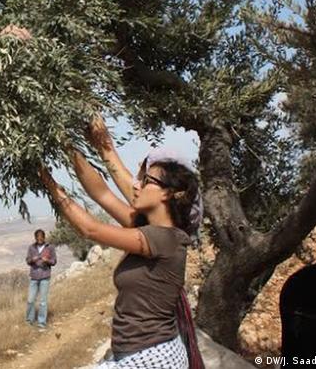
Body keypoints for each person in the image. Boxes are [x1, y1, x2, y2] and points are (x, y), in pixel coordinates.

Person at [39, 117, 202, 368]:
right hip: (141, 354)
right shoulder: (147, 229)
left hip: (153, 359)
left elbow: (90, 229)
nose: (136, 185)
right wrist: (67, 146)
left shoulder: (164, 238)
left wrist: (51, 184)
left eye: (146, 181)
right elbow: (101, 192)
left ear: (168, 193)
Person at [25, 229, 57, 328]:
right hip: (34, 277)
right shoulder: (31, 247)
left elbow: (54, 261)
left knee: (43, 301)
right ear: (35, 238)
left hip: (44, 276)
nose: (39, 239)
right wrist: (32, 260)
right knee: (30, 300)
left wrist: (47, 260)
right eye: (37, 238)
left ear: (44, 237)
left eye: (41, 237)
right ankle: (29, 320)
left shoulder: (50, 248)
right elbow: (27, 260)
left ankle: (41, 322)